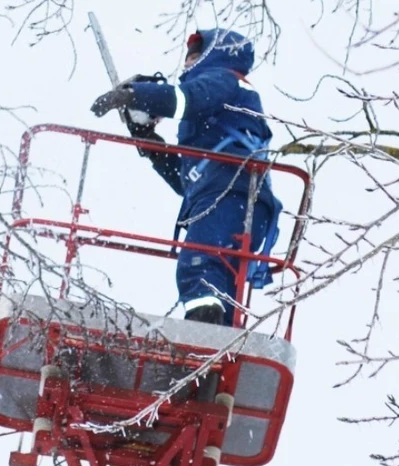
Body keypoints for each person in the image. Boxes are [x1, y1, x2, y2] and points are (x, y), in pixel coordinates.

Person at [90, 28, 282, 326]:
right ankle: (219, 354)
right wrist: (148, 140)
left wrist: (132, 95)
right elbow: (186, 180)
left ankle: (201, 352)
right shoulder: (214, 110)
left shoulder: (224, 80)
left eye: (194, 55)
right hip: (230, 200)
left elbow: (185, 99)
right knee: (220, 284)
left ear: (214, 53)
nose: (187, 64)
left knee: (199, 266)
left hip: (230, 199)